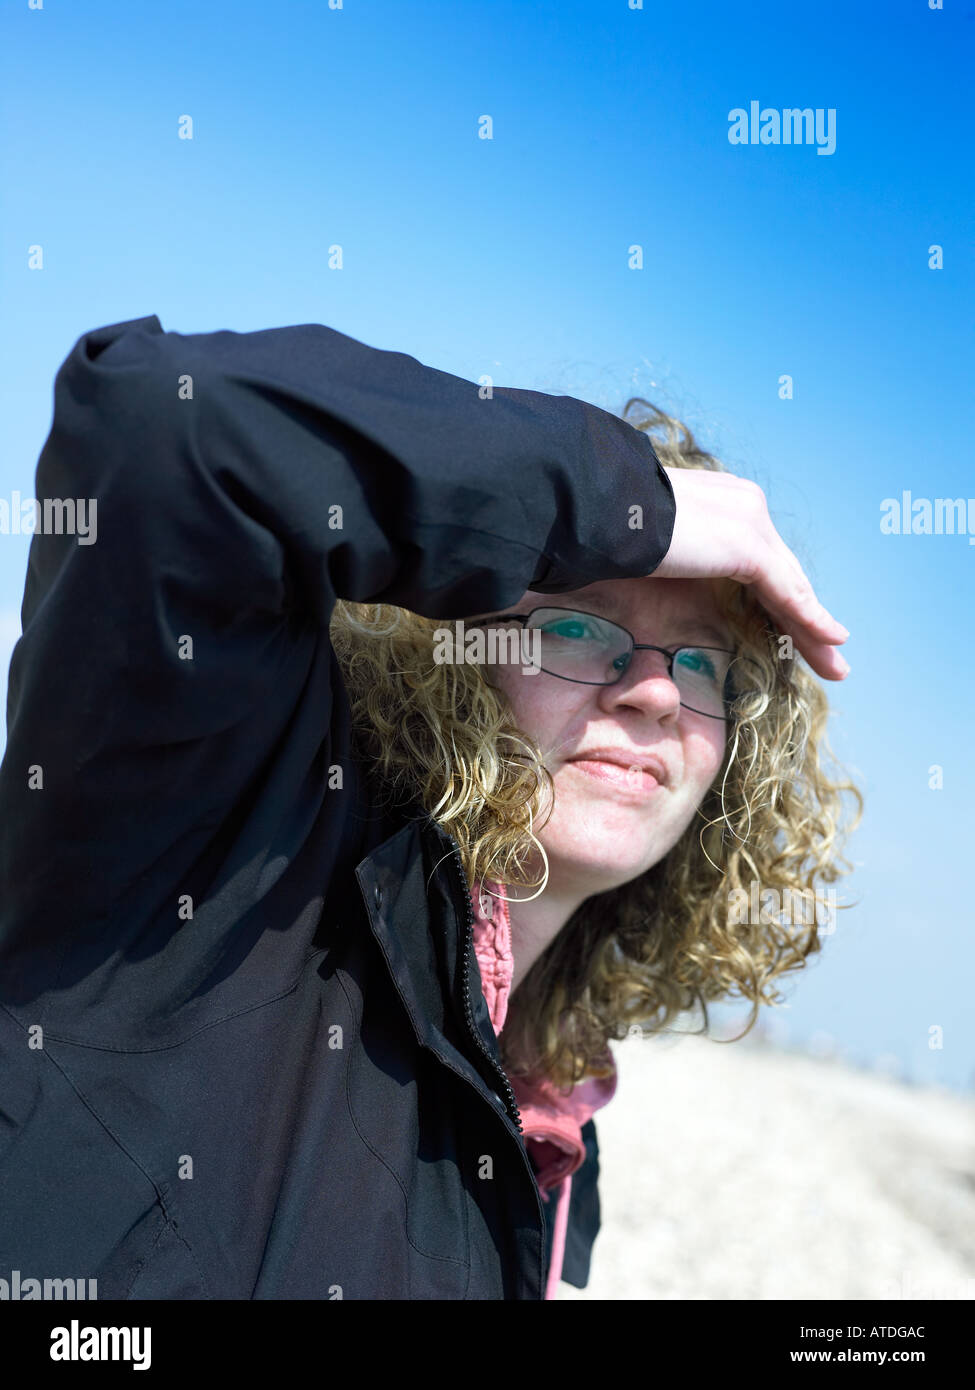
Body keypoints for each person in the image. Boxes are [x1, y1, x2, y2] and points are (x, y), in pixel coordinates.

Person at [0, 314, 858, 1300]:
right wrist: (623, 500)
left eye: (703, 660)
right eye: (579, 626)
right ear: (445, 657)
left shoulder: (547, 1117)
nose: (655, 692)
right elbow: (165, 425)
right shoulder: (225, 838)